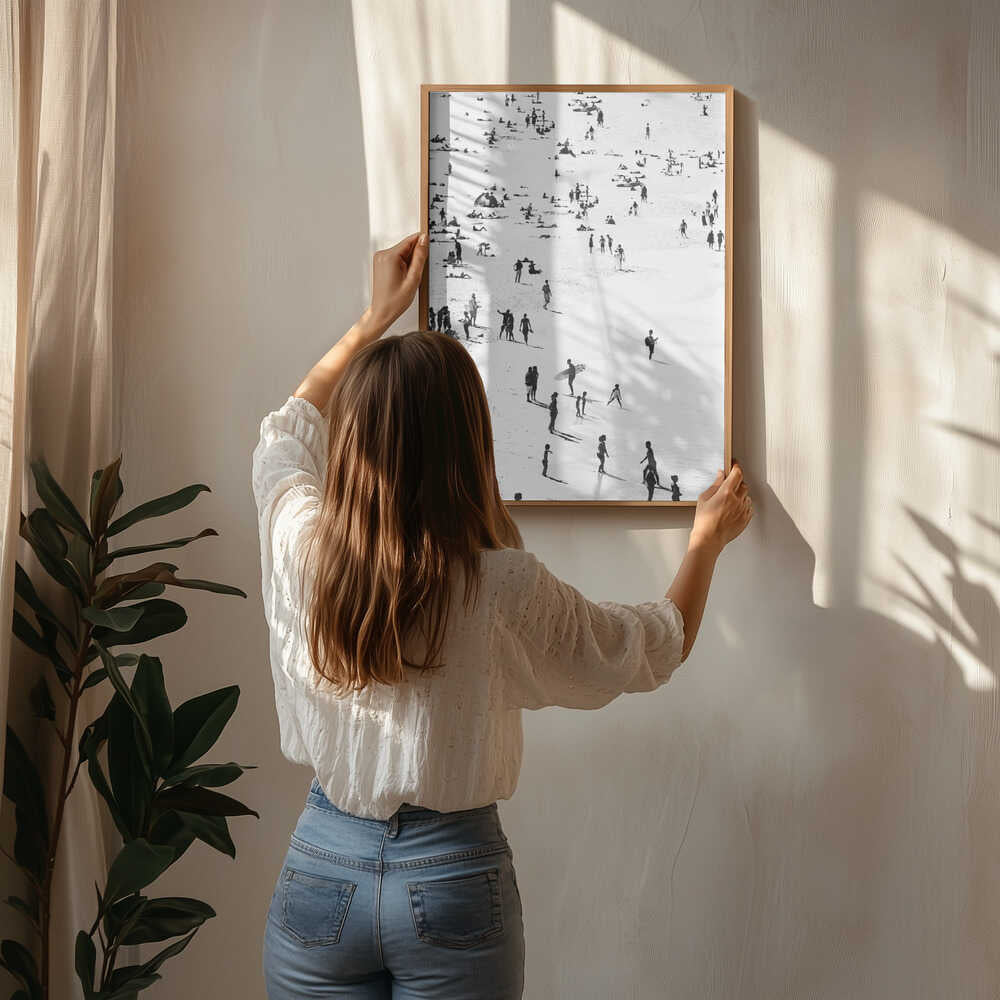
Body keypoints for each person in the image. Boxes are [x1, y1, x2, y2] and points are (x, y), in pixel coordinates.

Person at [253, 232, 753, 997]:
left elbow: (283, 436)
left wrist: (373, 319)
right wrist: (705, 544)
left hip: (323, 869)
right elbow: (652, 646)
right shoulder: (501, 587)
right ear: (470, 442)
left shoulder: (304, 546)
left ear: (352, 443)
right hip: (451, 878)